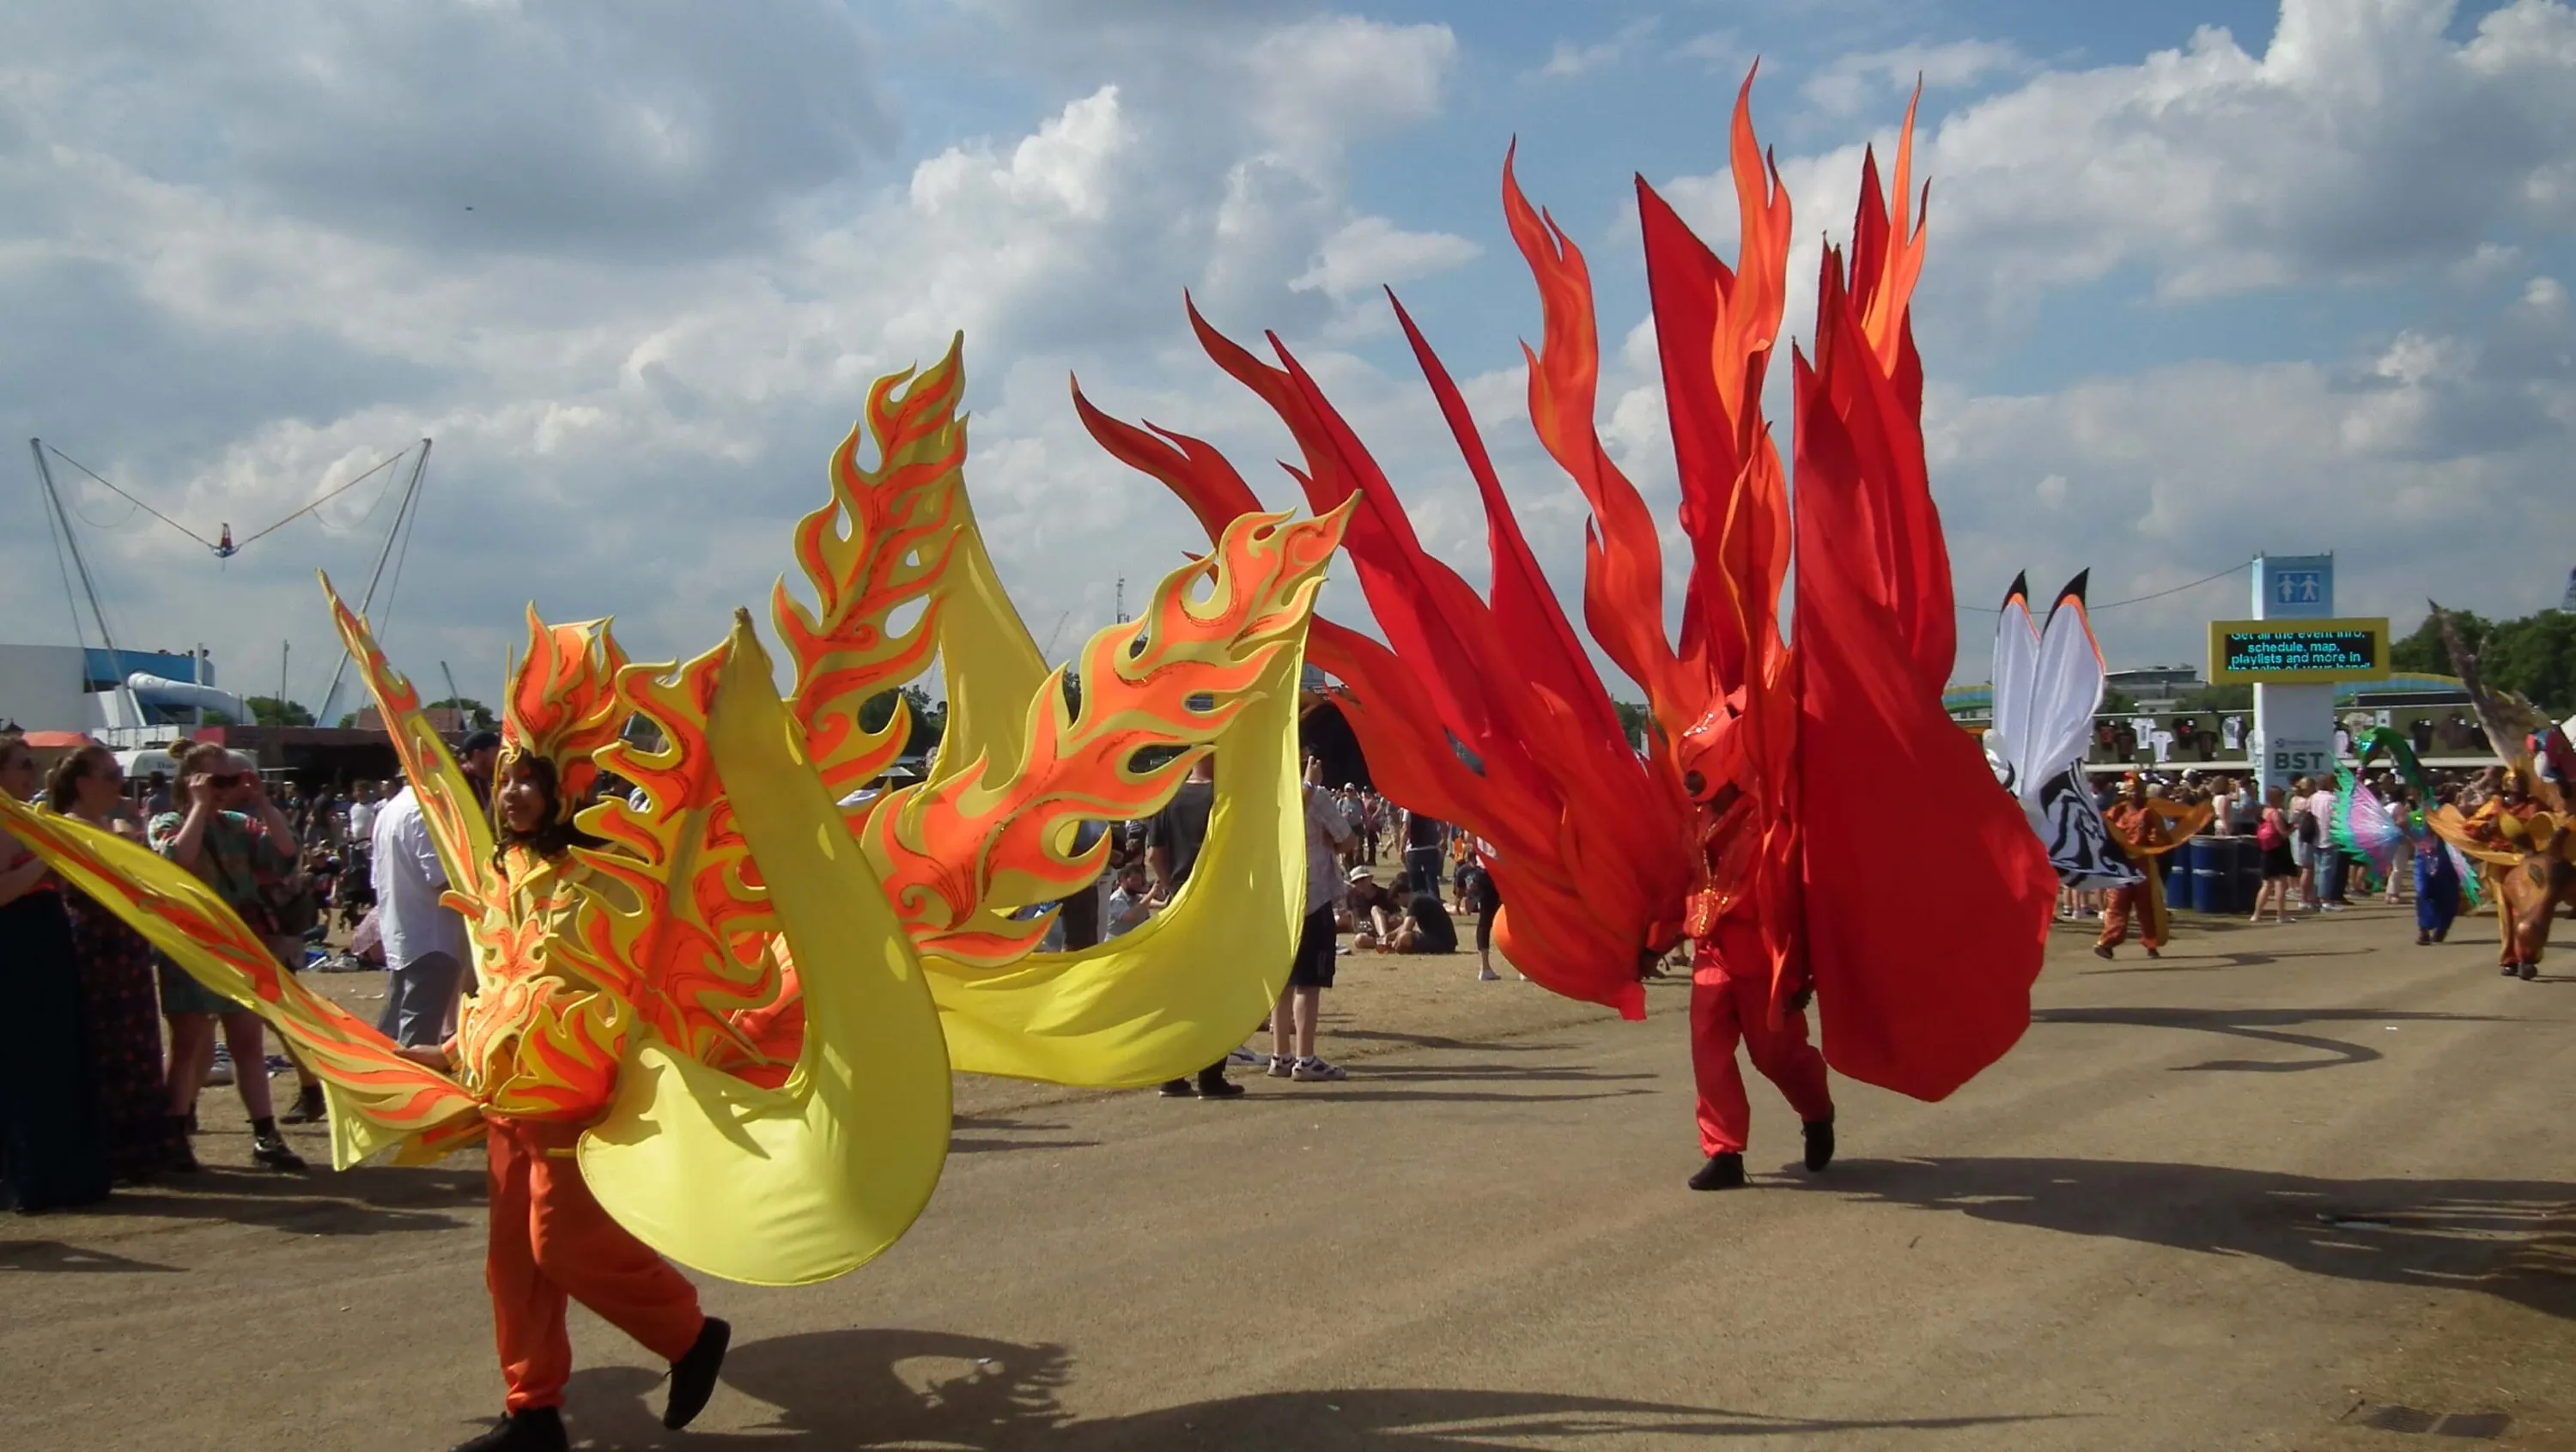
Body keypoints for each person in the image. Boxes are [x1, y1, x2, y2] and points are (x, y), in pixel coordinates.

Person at [411, 749, 728, 1452]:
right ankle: (533, 1411)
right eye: (503, 782)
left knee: (564, 1245)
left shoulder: (605, 877)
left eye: (529, 781)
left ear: (567, 792)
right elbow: (504, 985)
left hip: (571, 1090)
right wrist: (454, 1052)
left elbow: (620, 986)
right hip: (507, 1095)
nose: (512, 795)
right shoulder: (506, 875)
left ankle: (689, 1332)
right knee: (512, 1265)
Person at [149, 743, 307, 1173]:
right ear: (192, 780)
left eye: (230, 779)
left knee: (248, 1044)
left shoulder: (240, 825)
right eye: (217, 780)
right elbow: (176, 858)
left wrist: (261, 801)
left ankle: (265, 1135)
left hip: (238, 945)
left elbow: (285, 854)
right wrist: (199, 808)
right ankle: (175, 1136)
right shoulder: (168, 821)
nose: (226, 788)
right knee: (188, 1046)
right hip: (191, 947)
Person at [47, 745, 181, 1182]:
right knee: (110, 1049)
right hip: (96, 951)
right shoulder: (69, 828)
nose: (118, 784)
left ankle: (144, 1147)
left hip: (125, 949)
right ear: (83, 784)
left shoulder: (108, 824)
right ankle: (115, 1150)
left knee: (138, 1043)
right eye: (109, 775)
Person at [0, 732, 112, 1212]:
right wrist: (48, 855)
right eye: (22, 765)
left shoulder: (25, 818)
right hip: (16, 946)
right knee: (28, 1064)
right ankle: (34, 1176)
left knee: (59, 1057)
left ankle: (68, 1172)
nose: (32, 773)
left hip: (46, 942)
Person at [1145, 753, 1242, 1099]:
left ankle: (1172, 1073)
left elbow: (1153, 854)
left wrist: (1172, 887)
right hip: (1218, 901)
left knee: (1180, 991)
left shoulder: (1168, 796)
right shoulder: (1226, 795)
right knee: (1218, 991)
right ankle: (1210, 1076)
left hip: (1179, 903)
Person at [1270, 759, 1355, 1083]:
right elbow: (1348, 840)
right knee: (1308, 981)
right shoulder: (1315, 795)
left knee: (1283, 980)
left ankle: (1281, 1054)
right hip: (1312, 893)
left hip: (1279, 896)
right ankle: (1305, 1058)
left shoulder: (1267, 792)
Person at [371, 779, 470, 1048]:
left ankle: (384, 1084)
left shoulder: (390, 809)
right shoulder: (423, 811)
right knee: (418, 1037)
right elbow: (440, 879)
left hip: (404, 930)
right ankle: (405, 1088)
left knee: (394, 1029)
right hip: (432, 937)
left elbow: (377, 877)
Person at [2093, 775, 2212, 959]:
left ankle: (2151, 944)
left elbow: (2161, 837)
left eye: (2136, 791)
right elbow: (2104, 830)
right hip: (2121, 865)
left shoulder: (2149, 813)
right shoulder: (2116, 812)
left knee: (2146, 906)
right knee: (2117, 904)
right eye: (2130, 791)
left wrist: (2154, 841)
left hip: (2142, 864)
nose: (2133, 794)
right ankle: (2107, 943)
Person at [2249, 786, 2300, 924]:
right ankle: (2281, 915)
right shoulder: (2275, 813)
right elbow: (2283, 834)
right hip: (2278, 850)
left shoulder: (2263, 812)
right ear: (2277, 798)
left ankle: (2257, 914)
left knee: (2266, 884)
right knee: (2280, 884)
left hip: (2266, 850)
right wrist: (2293, 827)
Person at [1461, 845, 1504, 981]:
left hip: (1484, 869)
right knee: (1515, 918)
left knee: (1484, 922)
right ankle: (1523, 969)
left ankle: (1485, 967)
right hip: (1499, 869)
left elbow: (1469, 839)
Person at [1399, 806, 1445, 896]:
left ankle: (1419, 904)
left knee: (1415, 883)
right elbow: (1443, 824)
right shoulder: (1430, 805)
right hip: (1431, 847)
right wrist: (1444, 838)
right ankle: (1434, 905)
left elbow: (1406, 829)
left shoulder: (1409, 807)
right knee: (1432, 881)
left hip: (1414, 849)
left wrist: (1401, 848)